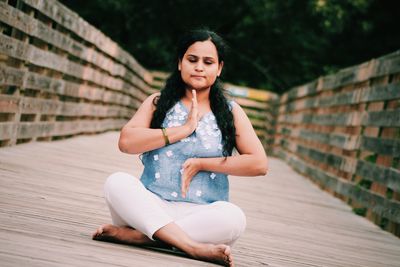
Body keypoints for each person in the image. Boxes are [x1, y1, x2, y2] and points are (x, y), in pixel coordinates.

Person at [92, 29, 268, 266]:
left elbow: (259, 163)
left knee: (234, 217)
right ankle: (191, 247)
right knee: (117, 182)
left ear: (219, 69)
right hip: (151, 206)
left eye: (208, 62)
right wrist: (184, 129)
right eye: (192, 59)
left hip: (199, 215)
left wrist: (203, 163)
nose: (199, 67)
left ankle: (146, 237)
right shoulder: (158, 102)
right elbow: (126, 142)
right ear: (180, 63)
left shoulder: (230, 111)